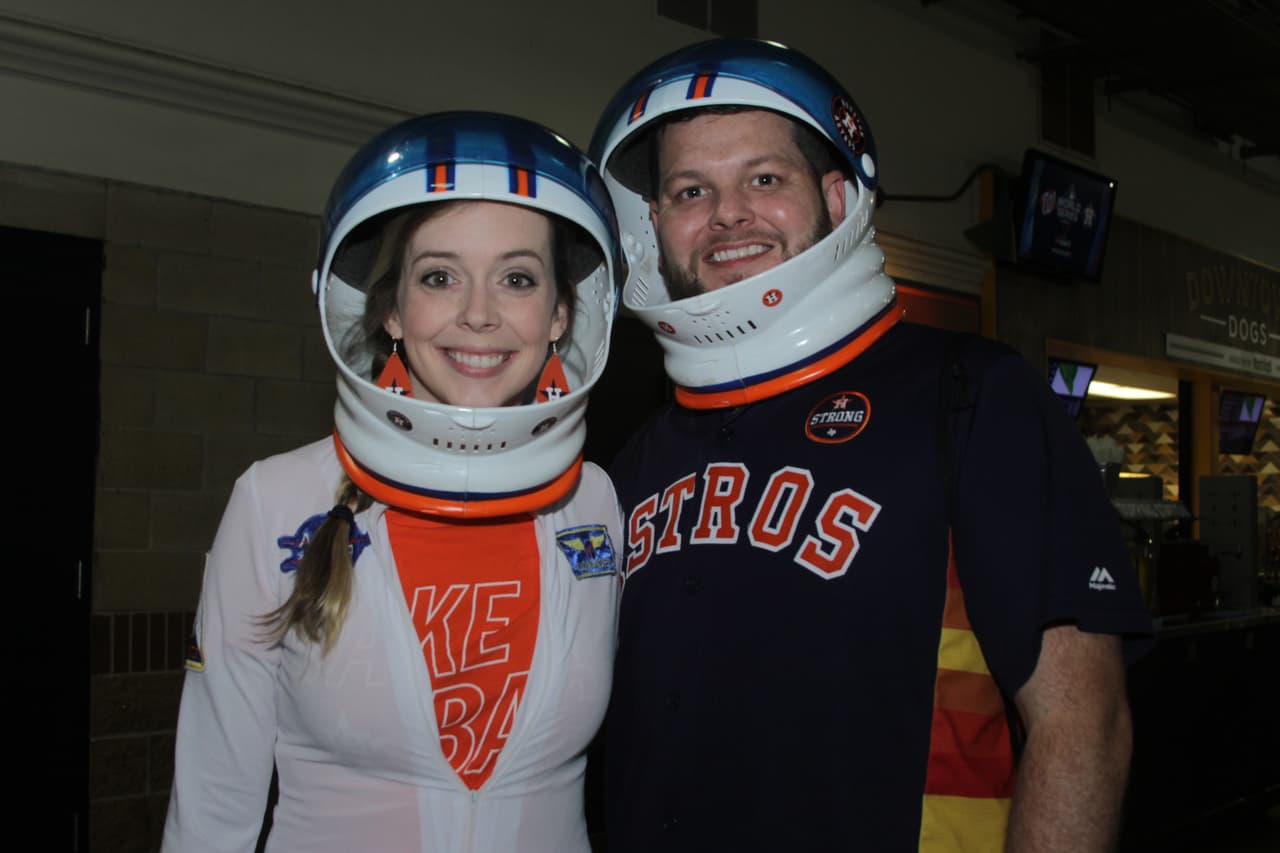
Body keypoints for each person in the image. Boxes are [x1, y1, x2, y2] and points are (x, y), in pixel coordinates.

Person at [588, 39, 1154, 851]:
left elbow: (1083, 725)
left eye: (764, 178)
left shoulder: (971, 395)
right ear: (653, 227)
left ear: (836, 194)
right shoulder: (631, 457)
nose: (727, 214)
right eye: (690, 190)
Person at [162, 111, 625, 853]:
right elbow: (213, 801)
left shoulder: (595, 502)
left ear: (560, 315)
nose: (479, 314)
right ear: (392, 312)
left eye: (517, 278)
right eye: (440, 277)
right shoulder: (274, 499)